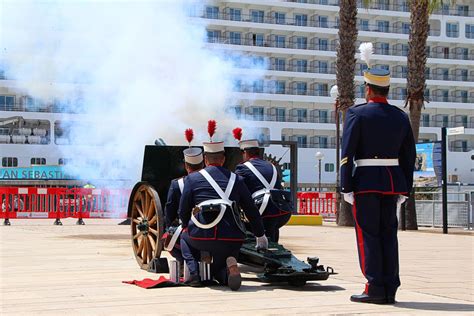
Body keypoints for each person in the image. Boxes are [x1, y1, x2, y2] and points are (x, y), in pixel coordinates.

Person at [341, 44, 416, 305]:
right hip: (393, 182)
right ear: (386, 89)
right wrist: (405, 189)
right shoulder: (400, 116)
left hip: (365, 183)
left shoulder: (356, 113)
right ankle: (390, 287)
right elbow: (409, 156)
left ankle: (374, 286)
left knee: (368, 235)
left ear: (368, 89)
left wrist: (345, 186)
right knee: (388, 235)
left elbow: (347, 153)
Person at [179, 138, 268, 290]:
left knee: (184, 237)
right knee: (222, 262)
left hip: (201, 236)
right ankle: (229, 267)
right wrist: (260, 235)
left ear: (205, 160)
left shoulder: (192, 179)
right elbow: (251, 210)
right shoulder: (238, 180)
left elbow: (183, 209)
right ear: (224, 159)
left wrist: (186, 225)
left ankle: (194, 274)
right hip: (231, 238)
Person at [234, 137, 291, 243]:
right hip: (282, 212)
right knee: (273, 233)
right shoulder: (272, 166)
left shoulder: (242, 168)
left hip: (262, 211)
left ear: (245, 152)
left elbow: (237, 190)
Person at [163, 146, 204, 264]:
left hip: (188, 229)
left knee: (168, 237)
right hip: (214, 228)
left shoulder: (177, 184)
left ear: (186, 166)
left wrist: (169, 227)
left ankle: (182, 261)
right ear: (203, 165)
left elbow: (170, 209)